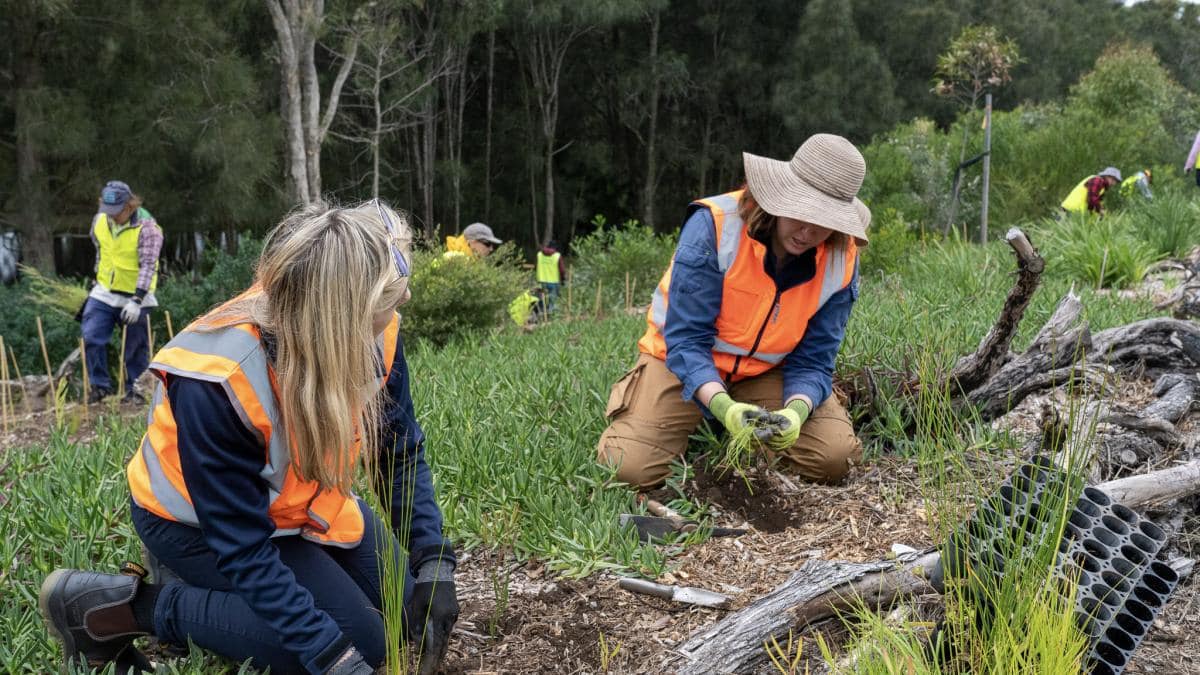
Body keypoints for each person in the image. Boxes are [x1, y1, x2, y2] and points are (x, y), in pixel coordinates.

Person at [39, 201, 459, 674]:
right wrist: (333, 659)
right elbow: (244, 548)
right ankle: (125, 607)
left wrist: (434, 561)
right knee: (358, 642)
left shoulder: (374, 331)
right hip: (195, 524)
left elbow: (397, 451)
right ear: (341, 313)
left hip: (302, 507)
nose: (402, 302)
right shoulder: (218, 381)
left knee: (406, 614)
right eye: (391, 296)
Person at [597, 134, 868, 490]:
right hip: (679, 363)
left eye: (824, 221)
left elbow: (814, 360)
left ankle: (736, 423)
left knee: (834, 459)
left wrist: (796, 411)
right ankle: (708, 414)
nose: (808, 231)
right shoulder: (715, 225)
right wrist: (724, 406)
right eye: (802, 212)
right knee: (627, 469)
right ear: (780, 195)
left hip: (766, 371)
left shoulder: (842, 258)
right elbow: (686, 340)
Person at [81, 180, 163, 403]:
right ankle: (100, 387)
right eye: (108, 211)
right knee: (91, 335)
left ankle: (136, 391)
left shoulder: (148, 228)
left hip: (137, 295)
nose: (111, 216)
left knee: (135, 347)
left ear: (130, 206)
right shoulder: (100, 220)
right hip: (105, 292)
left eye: (116, 212)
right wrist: (99, 274)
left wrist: (137, 299)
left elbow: (148, 264)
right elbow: (99, 247)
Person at [536, 240, 566, 315]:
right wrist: (563, 279)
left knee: (541, 299)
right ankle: (550, 315)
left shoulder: (539, 254)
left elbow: (535, 266)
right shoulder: (557, 256)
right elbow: (562, 270)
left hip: (541, 281)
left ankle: (541, 314)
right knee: (552, 300)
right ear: (555, 248)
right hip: (553, 282)